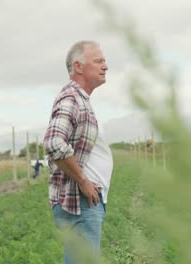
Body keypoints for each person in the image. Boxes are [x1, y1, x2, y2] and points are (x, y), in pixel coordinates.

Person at [43, 40, 113, 264]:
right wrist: (83, 180)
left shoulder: (81, 99)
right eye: (99, 61)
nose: (105, 66)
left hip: (85, 202)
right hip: (79, 201)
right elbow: (53, 142)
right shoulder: (71, 98)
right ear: (79, 67)